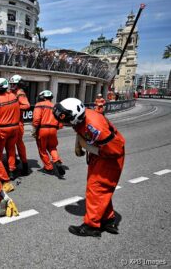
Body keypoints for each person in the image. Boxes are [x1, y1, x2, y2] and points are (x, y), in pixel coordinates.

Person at [53, 98, 125, 237]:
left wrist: (90, 148)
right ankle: (108, 219)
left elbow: (115, 150)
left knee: (96, 189)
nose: (63, 123)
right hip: (100, 154)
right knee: (101, 191)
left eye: (65, 120)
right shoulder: (80, 117)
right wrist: (79, 144)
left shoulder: (95, 126)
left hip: (109, 157)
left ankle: (91, 226)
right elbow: (80, 129)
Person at [0, 78, 21, 180]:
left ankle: (1, 173)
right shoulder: (14, 96)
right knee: (11, 150)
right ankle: (12, 170)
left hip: (2, 129)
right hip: (15, 127)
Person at [31, 90, 64, 177]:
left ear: (42, 97)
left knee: (42, 149)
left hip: (42, 129)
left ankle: (48, 168)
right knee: (52, 147)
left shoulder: (39, 105)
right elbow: (60, 121)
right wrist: (57, 126)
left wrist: (34, 129)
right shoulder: (56, 106)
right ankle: (56, 160)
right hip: (53, 130)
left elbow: (36, 119)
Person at [9, 74, 30, 176]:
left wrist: (14, 107)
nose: (12, 86)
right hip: (13, 122)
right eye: (11, 84)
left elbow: (26, 105)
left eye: (14, 84)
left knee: (17, 145)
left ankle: (24, 166)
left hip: (18, 123)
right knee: (12, 145)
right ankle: (16, 164)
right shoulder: (12, 92)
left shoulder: (20, 93)